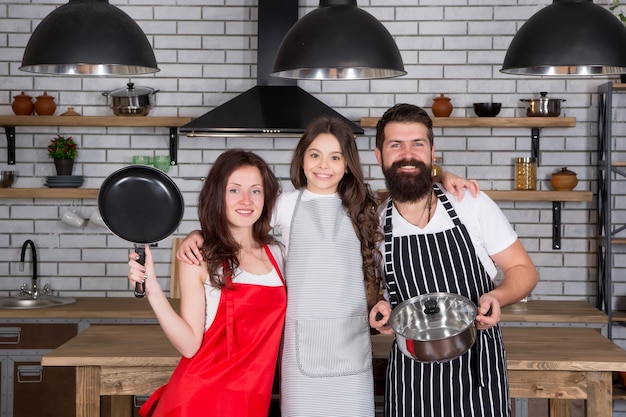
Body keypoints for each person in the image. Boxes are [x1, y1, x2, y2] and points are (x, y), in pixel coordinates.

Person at [176, 116, 479, 416]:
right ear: (302, 159)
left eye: (335, 157)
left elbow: (410, 192)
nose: (324, 166)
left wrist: (441, 178)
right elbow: (240, 224)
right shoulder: (285, 204)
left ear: (347, 164)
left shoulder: (365, 204)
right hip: (300, 355)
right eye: (315, 155)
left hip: (352, 349)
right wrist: (198, 234)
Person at [369, 103, 539, 417]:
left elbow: (524, 270)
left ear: (432, 152)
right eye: (396, 145)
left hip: (477, 375)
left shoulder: (469, 203)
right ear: (379, 156)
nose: (408, 154)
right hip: (412, 382)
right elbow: (378, 293)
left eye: (417, 144)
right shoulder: (376, 222)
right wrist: (379, 307)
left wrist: (497, 296)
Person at [127, 149, 286, 417]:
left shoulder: (279, 254)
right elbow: (189, 345)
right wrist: (152, 287)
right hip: (200, 401)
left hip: (250, 404)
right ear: (217, 196)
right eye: (234, 190)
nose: (246, 200)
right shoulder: (200, 257)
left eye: (255, 191)